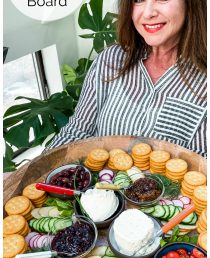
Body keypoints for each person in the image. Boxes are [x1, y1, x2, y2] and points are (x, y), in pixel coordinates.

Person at [46, 0, 207, 157]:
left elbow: (202, 166)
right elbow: (77, 133)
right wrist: (35, 173)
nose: (148, 13)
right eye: (138, 0)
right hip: (96, 184)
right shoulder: (111, 60)